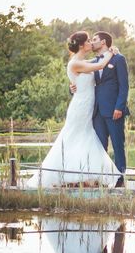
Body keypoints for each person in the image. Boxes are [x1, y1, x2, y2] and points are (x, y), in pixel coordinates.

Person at [26, 31, 121, 188]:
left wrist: (111, 52)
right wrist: (111, 52)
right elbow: (100, 65)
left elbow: (96, 62)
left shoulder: (81, 61)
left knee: (84, 138)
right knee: (73, 137)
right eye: (89, 41)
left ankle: (82, 175)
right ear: (83, 45)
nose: (91, 43)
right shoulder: (75, 63)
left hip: (87, 105)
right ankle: (67, 175)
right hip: (80, 107)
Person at [70, 31, 130, 188]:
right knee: (99, 145)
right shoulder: (94, 61)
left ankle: (120, 179)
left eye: (94, 40)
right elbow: (80, 78)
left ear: (103, 42)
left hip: (113, 110)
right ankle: (102, 178)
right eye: (90, 40)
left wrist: (119, 107)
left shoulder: (118, 59)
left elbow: (124, 87)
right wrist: (73, 87)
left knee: (118, 144)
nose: (92, 42)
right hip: (96, 111)